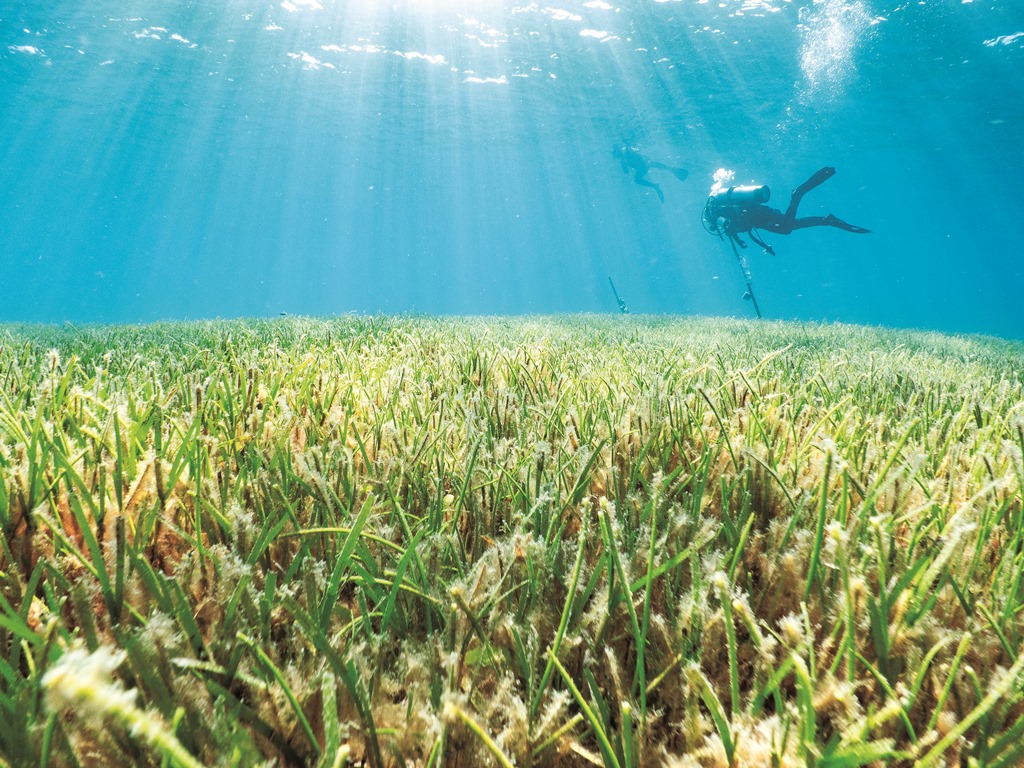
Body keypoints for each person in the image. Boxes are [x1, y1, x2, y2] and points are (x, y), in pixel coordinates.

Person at [703, 167, 870, 255]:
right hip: (761, 217)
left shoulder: (718, 217)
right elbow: (741, 231)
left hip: (761, 217)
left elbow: (733, 228)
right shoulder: (722, 212)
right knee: (789, 226)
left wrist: (740, 240)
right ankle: (826, 220)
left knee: (787, 227)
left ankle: (797, 196)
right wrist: (749, 243)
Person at [613, 142, 689, 203]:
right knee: (650, 168)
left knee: (637, 178)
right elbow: (626, 171)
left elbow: (627, 169)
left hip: (644, 165)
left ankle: (656, 184)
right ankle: (671, 171)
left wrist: (624, 160)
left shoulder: (626, 153)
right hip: (645, 165)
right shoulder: (624, 158)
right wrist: (623, 161)